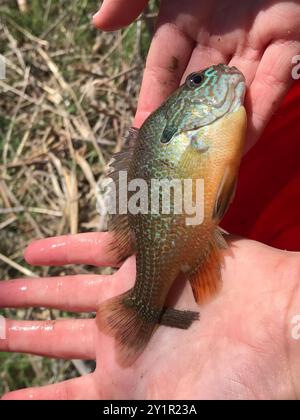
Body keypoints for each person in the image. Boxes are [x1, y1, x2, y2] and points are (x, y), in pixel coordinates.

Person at [1, 0, 300, 400]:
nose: (201, 80)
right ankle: (148, 304)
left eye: (195, 84)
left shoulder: (198, 127)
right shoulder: (190, 129)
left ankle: (152, 304)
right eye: (194, 84)